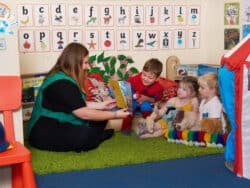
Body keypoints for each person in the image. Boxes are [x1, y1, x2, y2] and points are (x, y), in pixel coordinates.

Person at [27, 43, 130, 152]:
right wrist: (115, 114)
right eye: (85, 63)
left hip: (60, 121)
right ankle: (96, 137)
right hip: (43, 130)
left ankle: (95, 136)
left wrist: (102, 105)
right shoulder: (62, 84)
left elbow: (74, 103)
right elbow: (83, 113)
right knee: (86, 134)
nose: (87, 67)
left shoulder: (63, 76)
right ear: (74, 62)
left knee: (101, 116)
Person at [121, 58, 164, 135]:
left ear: (157, 78)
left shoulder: (158, 88)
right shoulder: (136, 78)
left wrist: (146, 98)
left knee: (146, 107)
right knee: (130, 107)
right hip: (133, 99)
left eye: (150, 78)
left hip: (145, 101)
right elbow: (126, 84)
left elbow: (156, 99)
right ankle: (126, 128)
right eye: (144, 75)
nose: (145, 79)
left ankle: (148, 126)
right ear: (142, 71)